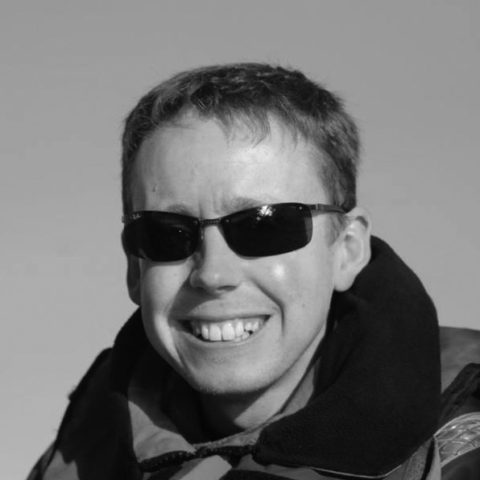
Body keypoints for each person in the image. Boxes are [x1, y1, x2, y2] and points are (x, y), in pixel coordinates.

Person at [28, 63, 480, 480]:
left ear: (347, 250)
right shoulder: (77, 457)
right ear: (134, 267)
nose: (213, 274)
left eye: (264, 226)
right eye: (168, 233)